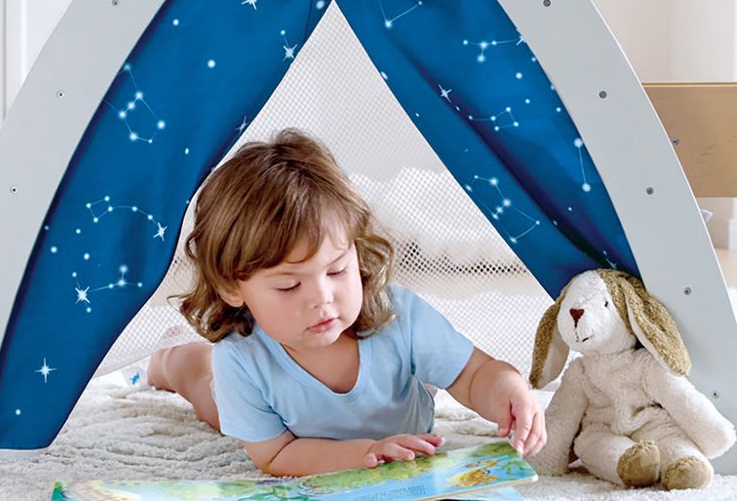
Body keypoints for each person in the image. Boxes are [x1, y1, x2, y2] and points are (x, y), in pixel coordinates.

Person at [148, 128, 546, 476]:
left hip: (391, 394)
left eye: (337, 270)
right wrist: (365, 453)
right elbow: (276, 454)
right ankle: (169, 357)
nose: (322, 298)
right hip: (275, 418)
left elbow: (474, 374)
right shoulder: (240, 359)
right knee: (208, 394)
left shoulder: (399, 315)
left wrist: (507, 390)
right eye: (290, 286)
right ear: (232, 287)